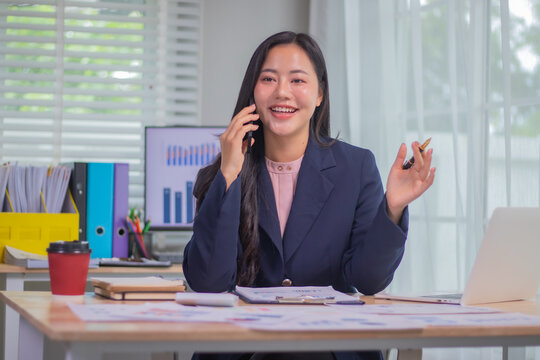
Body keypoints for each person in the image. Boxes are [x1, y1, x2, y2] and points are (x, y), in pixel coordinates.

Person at [183, 31, 435, 360]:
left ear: (319, 94)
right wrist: (229, 172)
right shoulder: (222, 173)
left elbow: (368, 280)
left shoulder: (356, 167)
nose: (282, 92)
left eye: (298, 80)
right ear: (253, 92)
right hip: (244, 350)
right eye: (269, 78)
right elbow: (208, 283)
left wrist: (392, 208)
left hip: (330, 348)